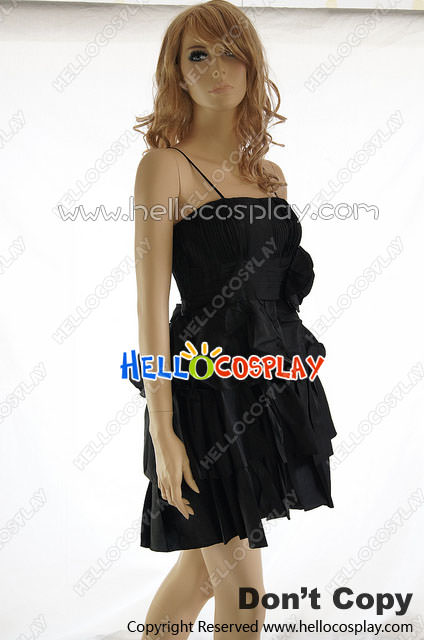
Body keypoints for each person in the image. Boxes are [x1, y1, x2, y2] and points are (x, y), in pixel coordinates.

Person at [129, 1, 337, 637]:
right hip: (203, 395)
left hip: (269, 387)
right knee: (244, 587)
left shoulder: (268, 177)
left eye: (229, 52)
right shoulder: (164, 167)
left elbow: (277, 295)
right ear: (177, 71)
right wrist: (163, 428)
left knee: (201, 572)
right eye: (198, 54)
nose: (216, 67)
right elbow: (148, 306)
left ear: (251, 65)